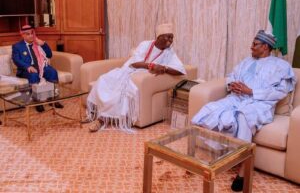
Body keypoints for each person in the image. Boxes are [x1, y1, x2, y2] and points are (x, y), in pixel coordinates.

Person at [191, 30, 296, 192]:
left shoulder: (280, 66)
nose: (251, 47)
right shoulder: (246, 62)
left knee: (243, 117)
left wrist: (251, 91)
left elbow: (280, 92)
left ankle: (243, 172)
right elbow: (231, 76)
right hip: (236, 98)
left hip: (260, 103)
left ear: (266, 46)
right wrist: (232, 84)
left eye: (255, 44)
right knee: (207, 110)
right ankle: (213, 158)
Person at [87, 23, 186, 133]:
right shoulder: (145, 44)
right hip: (129, 70)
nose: (171, 40)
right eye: (168, 37)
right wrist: (151, 66)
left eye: (172, 37)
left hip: (139, 77)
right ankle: (94, 112)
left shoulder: (169, 52)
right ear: (159, 37)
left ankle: (101, 120)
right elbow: (134, 64)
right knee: (103, 79)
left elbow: (180, 70)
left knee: (122, 89)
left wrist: (165, 68)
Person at [12, 25, 63, 112]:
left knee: (52, 72)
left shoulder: (38, 43)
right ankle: (37, 102)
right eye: (28, 34)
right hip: (26, 70)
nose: (31, 36)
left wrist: (43, 44)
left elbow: (49, 55)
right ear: (23, 35)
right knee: (33, 75)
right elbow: (16, 60)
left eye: (32, 33)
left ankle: (53, 99)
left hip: (41, 66)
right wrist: (27, 66)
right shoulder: (17, 46)